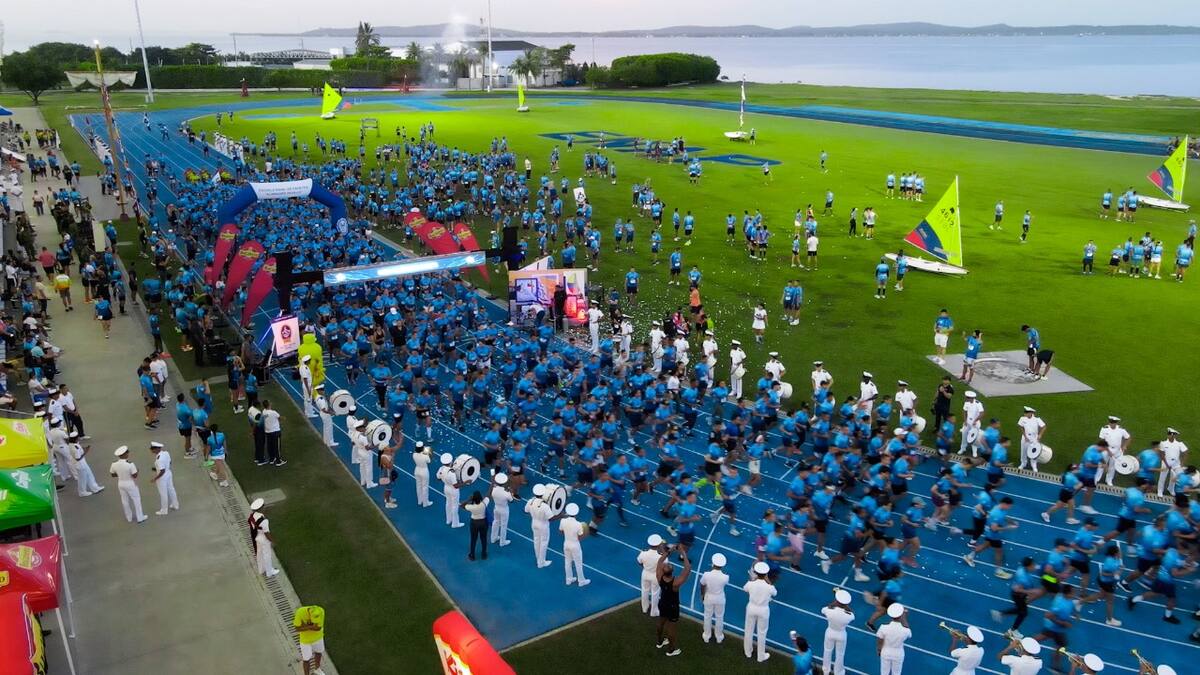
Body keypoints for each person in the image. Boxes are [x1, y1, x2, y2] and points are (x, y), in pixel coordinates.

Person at [655, 546, 691, 657]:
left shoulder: (659, 576)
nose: (667, 564)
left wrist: (669, 551)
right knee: (672, 629)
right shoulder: (676, 583)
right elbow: (687, 569)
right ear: (672, 571)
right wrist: (683, 553)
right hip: (673, 607)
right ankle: (671, 650)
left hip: (662, 603)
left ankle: (659, 642)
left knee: (661, 622)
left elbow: (660, 561)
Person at [743, 561, 777, 662]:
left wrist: (753, 580)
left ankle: (748, 652)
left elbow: (745, 589)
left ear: (756, 573)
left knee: (748, 630)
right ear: (766, 574)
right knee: (762, 633)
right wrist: (768, 581)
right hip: (763, 610)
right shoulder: (769, 587)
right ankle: (760, 656)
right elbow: (775, 593)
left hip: (751, 608)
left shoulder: (751, 584)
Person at [109, 446, 147, 524]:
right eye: (127, 452)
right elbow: (135, 476)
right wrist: (137, 471)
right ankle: (140, 517)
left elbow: (112, 474)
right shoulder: (130, 464)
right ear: (124, 454)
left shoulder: (114, 464)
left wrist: (120, 474)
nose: (128, 454)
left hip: (120, 483)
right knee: (136, 500)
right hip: (130, 483)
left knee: (124, 501)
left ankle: (129, 517)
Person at [821, 588, 854, 675]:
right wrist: (845, 606)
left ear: (837, 601)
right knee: (840, 654)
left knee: (827, 651)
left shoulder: (829, 610)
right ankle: (838, 673)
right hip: (841, 635)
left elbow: (823, 610)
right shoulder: (849, 615)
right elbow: (852, 615)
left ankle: (826, 671)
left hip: (830, 632)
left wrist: (833, 604)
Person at [699, 552, 729, 643]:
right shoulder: (725, 577)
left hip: (709, 597)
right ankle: (719, 637)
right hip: (720, 598)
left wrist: (702, 594)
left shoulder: (706, 574)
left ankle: (706, 635)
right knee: (719, 617)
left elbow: (702, 584)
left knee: (707, 616)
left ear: (713, 563)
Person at [876, 602, 911, 675]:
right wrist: (904, 617)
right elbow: (909, 634)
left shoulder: (883, 627)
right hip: (898, 653)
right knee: (896, 673)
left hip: (885, 651)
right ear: (900, 616)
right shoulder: (905, 630)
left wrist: (879, 650)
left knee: (884, 673)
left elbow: (879, 641)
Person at [559, 502, 590, 585]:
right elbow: (580, 536)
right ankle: (581, 581)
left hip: (566, 543)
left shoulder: (563, 521)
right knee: (578, 563)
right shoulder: (578, 524)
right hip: (575, 544)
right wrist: (585, 534)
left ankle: (568, 579)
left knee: (567, 561)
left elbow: (561, 531)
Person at [526, 483, 555, 568]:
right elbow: (551, 518)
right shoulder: (545, 506)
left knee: (536, 541)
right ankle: (541, 562)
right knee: (544, 543)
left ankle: (538, 558)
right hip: (543, 525)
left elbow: (526, 511)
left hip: (534, 523)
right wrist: (561, 516)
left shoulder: (530, 501)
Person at [293, 605, 327, 675]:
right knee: (306, 659)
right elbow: (297, 628)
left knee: (319, 652)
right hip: (305, 641)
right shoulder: (300, 612)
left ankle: (317, 669)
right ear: (309, 615)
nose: (315, 623)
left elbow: (318, 628)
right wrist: (312, 627)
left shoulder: (321, 611)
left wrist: (304, 626)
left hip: (318, 637)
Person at [638, 534, 665, 617]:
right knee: (655, 593)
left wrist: (646, 568)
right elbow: (665, 565)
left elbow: (639, 562)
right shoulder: (661, 556)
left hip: (645, 573)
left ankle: (644, 608)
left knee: (644, 590)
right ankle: (654, 611)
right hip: (656, 575)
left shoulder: (643, 553)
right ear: (659, 544)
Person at [69, 433, 103, 497]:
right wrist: (86, 451)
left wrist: (84, 448)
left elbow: (79, 449)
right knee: (82, 479)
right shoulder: (75, 447)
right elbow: (78, 458)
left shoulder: (71, 444)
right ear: (75, 438)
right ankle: (82, 492)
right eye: (78, 437)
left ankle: (95, 488)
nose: (79, 438)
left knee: (90, 475)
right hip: (80, 464)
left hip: (82, 463)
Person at [149, 441, 179, 515]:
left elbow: (162, 471)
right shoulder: (166, 453)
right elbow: (170, 462)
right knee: (171, 489)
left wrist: (155, 478)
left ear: (157, 449)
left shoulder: (159, 459)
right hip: (168, 473)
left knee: (163, 493)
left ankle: (164, 510)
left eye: (153, 449)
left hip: (162, 477)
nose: (151, 450)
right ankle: (175, 504)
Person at [437, 453, 466, 528]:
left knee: (448, 503)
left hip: (446, 487)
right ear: (450, 462)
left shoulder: (441, 469)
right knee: (455, 506)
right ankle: (455, 524)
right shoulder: (451, 473)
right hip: (453, 490)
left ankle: (448, 520)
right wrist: (465, 483)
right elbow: (455, 486)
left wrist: (445, 479)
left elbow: (438, 478)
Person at [462, 489, 490, 561]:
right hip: (483, 522)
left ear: (473, 498)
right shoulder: (484, 503)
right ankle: (484, 554)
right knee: (483, 538)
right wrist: (492, 485)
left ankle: (472, 555)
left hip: (474, 523)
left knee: (473, 539)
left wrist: (469, 499)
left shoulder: (471, 507)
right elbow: (488, 495)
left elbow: (462, 505)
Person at [1017, 407, 1047, 472]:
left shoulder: (1037, 419)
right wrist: (1025, 436)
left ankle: (1034, 465)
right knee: (1023, 451)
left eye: (1026, 413)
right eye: (1025, 412)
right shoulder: (1022, 418)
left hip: (1034, 438)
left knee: (1034, 452)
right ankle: (1023, 463)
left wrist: (1040, 435)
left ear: (1031, 413)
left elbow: (1044, 427)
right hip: (1025, 437)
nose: (1025, 414)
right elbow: (1020, 426)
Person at [253, 511, 279, 577]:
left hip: (258, 537)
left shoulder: (253, 516)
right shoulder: (264, 521)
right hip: (264, 539)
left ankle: (262, 569)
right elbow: (266, 533)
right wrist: (272, 541)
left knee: (260, 554)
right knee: (267, 555)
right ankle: (269, 572)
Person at [260, 400, 285, 466]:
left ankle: (272, 459)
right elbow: (280, 418)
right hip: (275, 431)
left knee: (270, 445)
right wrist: (283, 418)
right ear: (269, 405)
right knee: (277, 447)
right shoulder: (273, 412)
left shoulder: (264, 412)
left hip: (268, 431)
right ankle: (278, 461)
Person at [413, 442, 433, 507]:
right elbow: (429, 461)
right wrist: (430, 453)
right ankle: (425, 503)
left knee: (418, 486)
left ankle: (420, 501)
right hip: (424, 471)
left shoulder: (414, 454)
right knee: (425, 487)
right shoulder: (425, 456)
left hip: (417, 470)